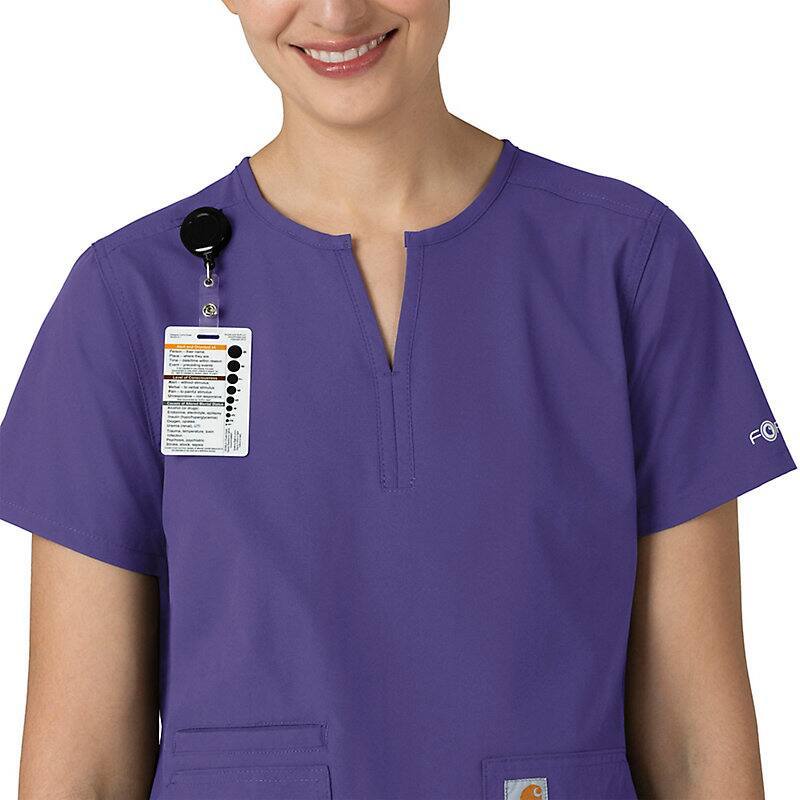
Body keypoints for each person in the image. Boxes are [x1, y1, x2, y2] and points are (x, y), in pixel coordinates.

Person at [0, 2, 795, 798]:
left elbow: (697, 745)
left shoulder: (628, 266)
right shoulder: (127, 300)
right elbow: (82, 767)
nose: (337, 12)